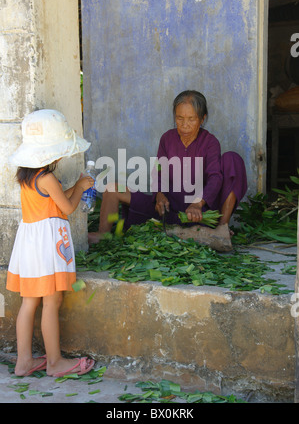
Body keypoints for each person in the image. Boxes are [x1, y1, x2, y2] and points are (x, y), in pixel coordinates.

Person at [88, 90, 247, 244]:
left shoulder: (210, 142)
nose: (185, 125)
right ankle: (104, 234)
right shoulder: (167, 138)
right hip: (167, 211)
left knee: (233, 159)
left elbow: (215, 178)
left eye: (191, 119)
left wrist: (198, 204)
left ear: (202, 119)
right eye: (179, 118)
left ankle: (221, 230)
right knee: (112, 188)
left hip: (198, 215)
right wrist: (159, 194)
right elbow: (158, 170)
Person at [6, 109, 96, 377]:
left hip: (29, 245)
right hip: (48, 245)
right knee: (52, 301)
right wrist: (80, 187)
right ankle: (55, 363)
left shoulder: (28, 177)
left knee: (29, 303)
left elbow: (53, 202)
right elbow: (66, 207)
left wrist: (77, 186)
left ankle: (24, 362)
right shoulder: (47, 178)